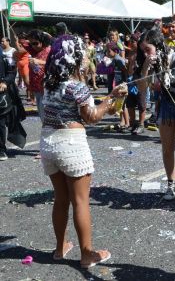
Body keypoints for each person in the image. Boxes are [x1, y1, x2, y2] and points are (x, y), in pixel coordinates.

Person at [40, 34, 126, 268]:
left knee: (61, 198)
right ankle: (87, 254)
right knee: (80, 201)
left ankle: (60, 248)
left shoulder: (49, 83)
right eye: (84, 55)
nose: (87, 58)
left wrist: (106, 102)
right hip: (71, 144)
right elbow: (92, 117)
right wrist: (111, 98)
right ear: (75, 57)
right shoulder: (76, 86)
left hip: (48, 143)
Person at [137, 27, 175, 209]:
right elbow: (143, 88)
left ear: (158, 45)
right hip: (165, 106)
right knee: (167, 148)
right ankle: (172, 185)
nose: (145, 53)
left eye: (148, 49)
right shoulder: (152, 62)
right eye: (143, 50)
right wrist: (146, 65)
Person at [0, 46, 26, 161]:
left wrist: (5, 82)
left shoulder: (3, 60)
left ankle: (1, 149)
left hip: (2, 97)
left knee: (0, 124)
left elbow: (11, 72)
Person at [26, 30, 52, 121]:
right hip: (37, 89)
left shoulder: (49, 50)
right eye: (31, 44)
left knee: (48, 117)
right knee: (42, 116)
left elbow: (55, 64)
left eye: (35, 43)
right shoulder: (34, 51)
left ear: (42, 41)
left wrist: (39, 62)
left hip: (47, 90)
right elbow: (21, 41)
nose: (33, 46)